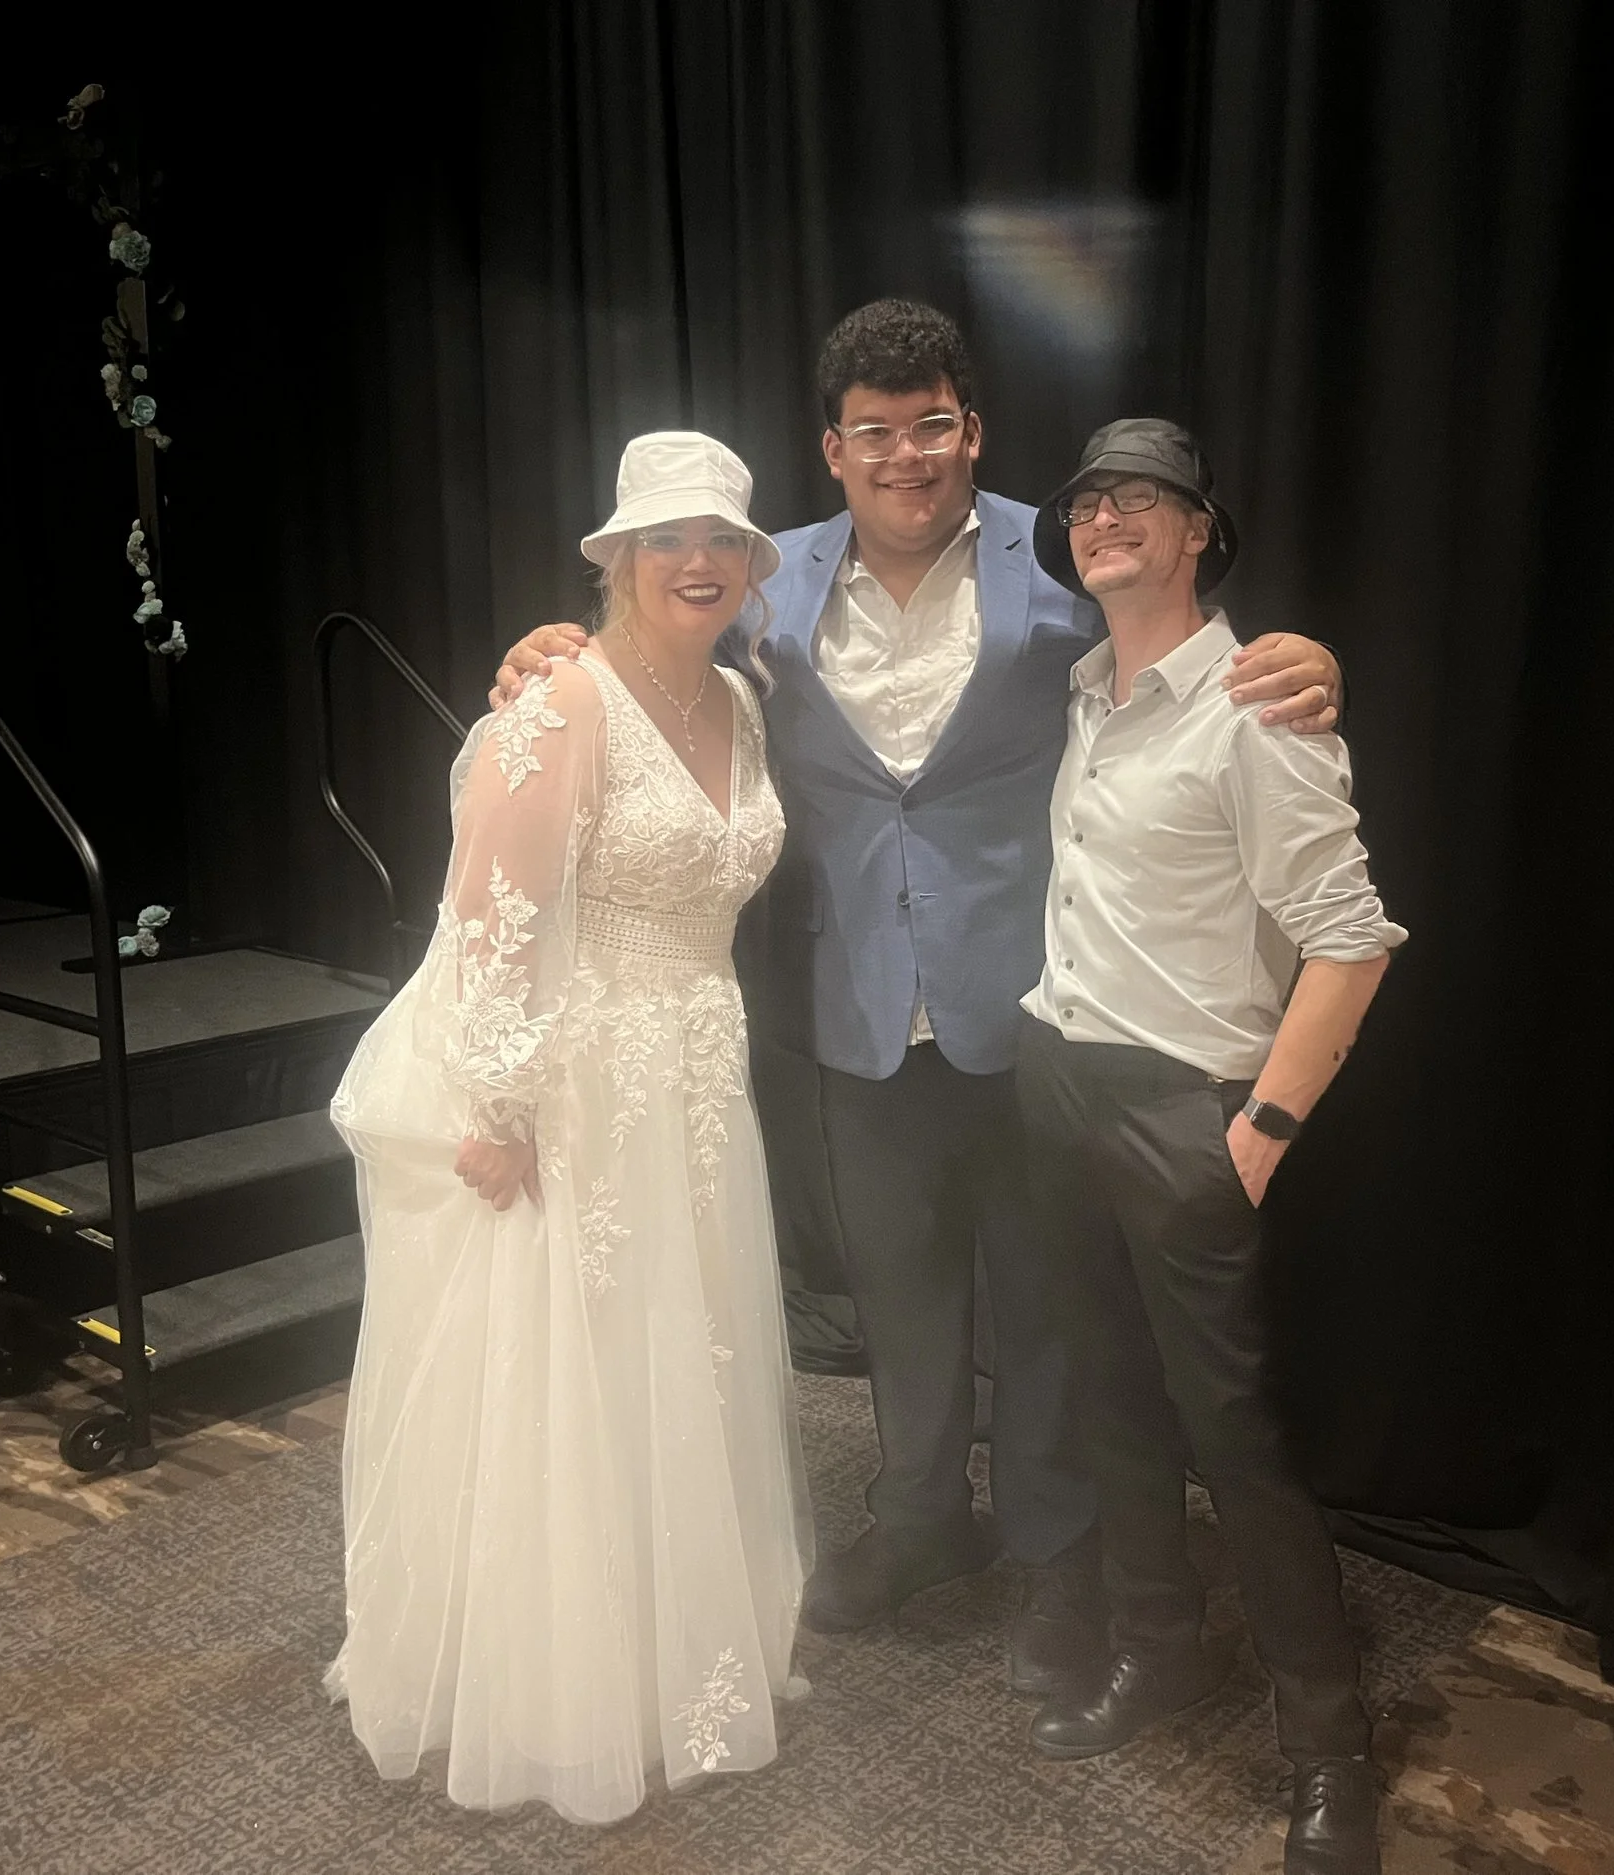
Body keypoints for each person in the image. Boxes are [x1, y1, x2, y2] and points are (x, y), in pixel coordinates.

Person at [494, 302, 1345, 1704]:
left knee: (1047, 1309)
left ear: (973, 432)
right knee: (898, 1292)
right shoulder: (765, 583)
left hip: (1035, 1018)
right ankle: (924, 1518)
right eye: (875, 433)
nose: (907, 456)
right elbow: (645, 652)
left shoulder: (1061, 561)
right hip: (855, 1010)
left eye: (932, 425)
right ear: (833, 451)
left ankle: (1065, 1564)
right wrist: (547, 649)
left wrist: (1309, 660)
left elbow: (1184, 644)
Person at [326, 432, 812, 1826]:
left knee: (688, 1347)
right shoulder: (563, 702)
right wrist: (496, 1099)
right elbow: (489, 909)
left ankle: (674, 1644)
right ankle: (557, 1681)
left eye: (721, 537)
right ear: (617, 559)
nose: (700, 559)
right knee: (572, 1367)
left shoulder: (745, 701)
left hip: (698, 1079)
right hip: (582, 1081)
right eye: (668, 539)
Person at [1013, 419, 1401, 1875]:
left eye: (1140, 500)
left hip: (1187, 1110)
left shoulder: (1256, 708)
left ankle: (1329, 1747)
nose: (1106, 516)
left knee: (1235, 1436)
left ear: (1197, 533)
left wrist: (1263, 1128)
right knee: (1108, 1396)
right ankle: (1160, 1648)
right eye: (1089, 501)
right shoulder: (1083, 692)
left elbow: (1350, 943)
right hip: (1055, 1081)